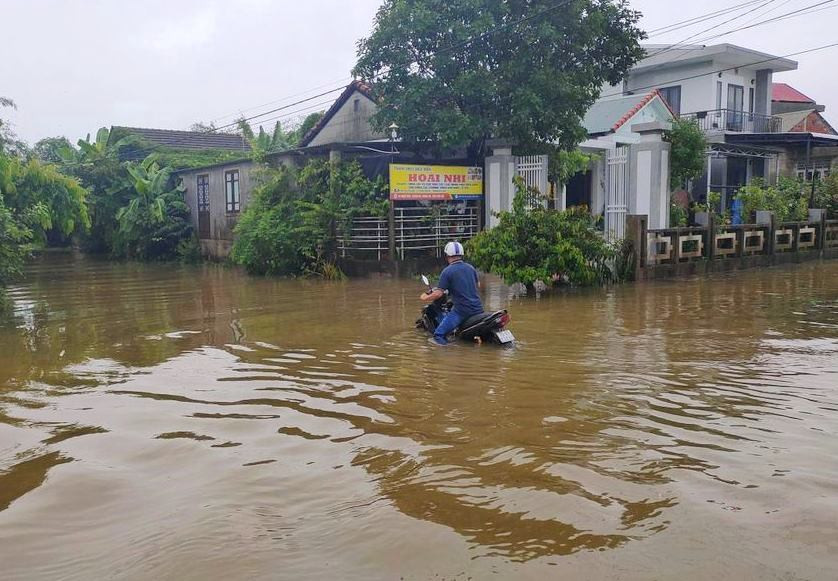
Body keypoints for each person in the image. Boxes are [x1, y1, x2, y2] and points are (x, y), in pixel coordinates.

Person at [420, 241, 484, 345]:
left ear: (447, 255)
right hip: (478, 309)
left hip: (461, 311)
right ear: (461, 254)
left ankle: (450, 355)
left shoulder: (447, 271)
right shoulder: (471, 268)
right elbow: (478, 286)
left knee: (438, 335)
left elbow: (438, 294)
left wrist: (425, 297)